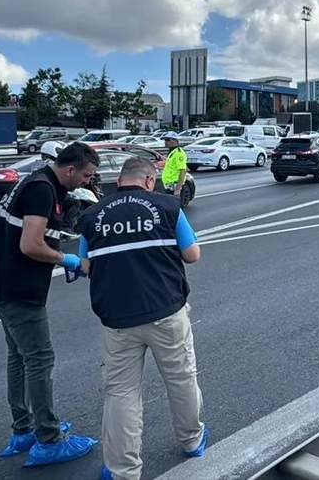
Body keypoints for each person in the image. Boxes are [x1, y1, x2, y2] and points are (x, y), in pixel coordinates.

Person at [0, 142, 101, 467]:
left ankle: (23, 428)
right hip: (17, 289)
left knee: (19, 358)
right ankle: (48, 438)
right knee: (39, 359)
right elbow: (30, 245)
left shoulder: (36, 180)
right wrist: (69, 260)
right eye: (86, 176)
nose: (87, 182)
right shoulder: (42, 190)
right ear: (69, 170)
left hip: (3, 282)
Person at [76, 157, 207, 480]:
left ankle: (123, 470)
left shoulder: (92, 216)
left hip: (117, 317)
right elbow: (192, 255)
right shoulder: (167, 207)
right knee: (180, 377)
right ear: (149, 180)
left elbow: (86, 265)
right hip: (166, 310)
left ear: (120, 181)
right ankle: (191, 440)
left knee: (121, 392)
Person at [159, 132, 189, 201]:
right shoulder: (172, 152)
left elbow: (183, 170)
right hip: (169, 187)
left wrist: (178, 189)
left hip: (174, 188)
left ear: (175, 141)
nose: (165, 142)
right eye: (165, 140)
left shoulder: (179, 153)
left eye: (168, 140)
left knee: (176, 210)